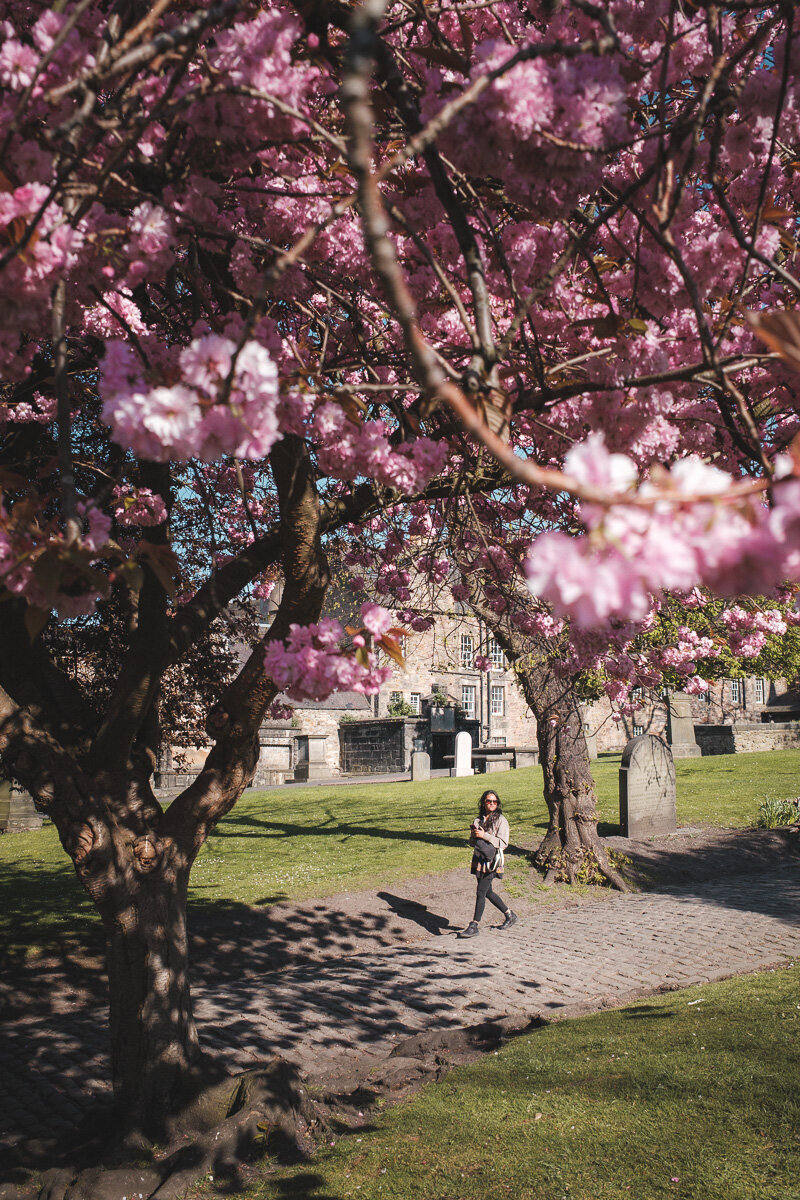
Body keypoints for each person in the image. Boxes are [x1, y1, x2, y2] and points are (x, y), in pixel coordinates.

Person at [457, 789, 518, 938]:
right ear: (483, 803)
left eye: (494, 801)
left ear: (498, 803)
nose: (492, 804)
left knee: (481, 891)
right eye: (489, 801)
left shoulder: (501, 820)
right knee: (488, 892)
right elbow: (472, 843)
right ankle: (510, 915)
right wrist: (474, 835)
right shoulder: (478, 820)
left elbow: (503, 843)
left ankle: (474, 925)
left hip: (492, 861)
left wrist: (485, 835)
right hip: (479, 859)